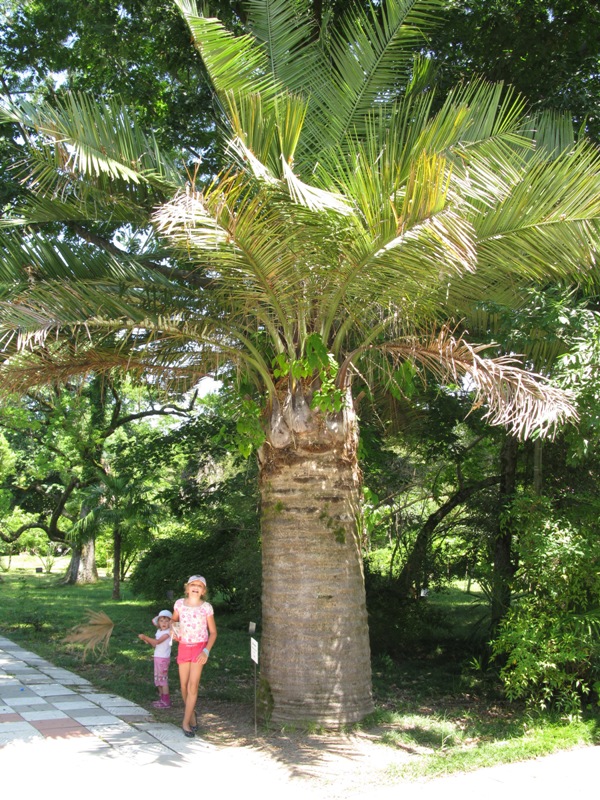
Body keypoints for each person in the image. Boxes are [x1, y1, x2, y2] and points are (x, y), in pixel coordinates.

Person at [171, 574, 217, 737]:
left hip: (199, 649)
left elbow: (213, 632)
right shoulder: (179, 604)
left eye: (199, 585)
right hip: (184, 647)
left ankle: (185, 723)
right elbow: (174, 621)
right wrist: (174, 632)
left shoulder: (206, 608)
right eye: (193, 585)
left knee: (193, 686)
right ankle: (192, 715)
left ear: (203, 591)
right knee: (183, 685)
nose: (195, 587)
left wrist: (206, 651)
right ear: (187, 588)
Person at [138, 609, 173, 708]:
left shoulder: (168, 633)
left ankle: (166, 701)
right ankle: (162, 699)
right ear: (158, 623)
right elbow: (155, 645)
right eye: (161, 621)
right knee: (158, 679)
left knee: (163, 680)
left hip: (163, 659)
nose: (164, 623)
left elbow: (157, 642)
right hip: (157, 657)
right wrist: (146, 640)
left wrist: (145, 637)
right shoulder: (159, 631)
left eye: (166, 621)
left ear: (170, 623)